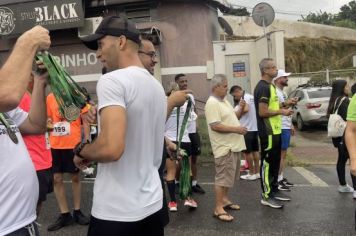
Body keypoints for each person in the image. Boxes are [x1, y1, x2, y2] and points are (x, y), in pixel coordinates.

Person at [77, 16, 166, 235]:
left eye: (100, 44)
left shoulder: (112, 80)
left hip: (117, 213)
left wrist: (82, 150)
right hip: (153, 205)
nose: (98, 53)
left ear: (121, 41)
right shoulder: (156, 87)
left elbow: (111, 148)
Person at [0, 25, 50, 236]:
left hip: (23, 222)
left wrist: (39, 83)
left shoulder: (3, 111)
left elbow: (36, 125)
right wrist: (26, 42)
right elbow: (9, 94)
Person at [205, 74, 247, 222]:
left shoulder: (224, 101)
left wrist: (240, 108)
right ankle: (218, 208)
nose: (227, 88)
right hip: (224, 148)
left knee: (229, 178)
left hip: (233, 146)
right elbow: (215, 125)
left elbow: (234, 117)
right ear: (216, 87)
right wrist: (237, 130)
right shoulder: (212, 103)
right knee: (222, 179)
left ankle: (224, 200)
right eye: (224, 86)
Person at [254, 58, 295, 209]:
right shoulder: (263, 87)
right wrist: (282, 111)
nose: (276, 69)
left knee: (275, 162)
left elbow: (272, 106)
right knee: (267, 163)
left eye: (275, 67)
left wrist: (285, 104)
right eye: (273, 67)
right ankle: (266, 196)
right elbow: (262, 111)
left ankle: (274, 190)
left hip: (276, 130)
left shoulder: (270, 86)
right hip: (268, 132)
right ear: (265, 70)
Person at [46, 93, 90, 231]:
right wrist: (48, 125)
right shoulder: (50, 97)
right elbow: (48, 118)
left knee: (75, 177)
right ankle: (65, 214)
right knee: (57, 179)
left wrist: (87, 140)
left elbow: (85, 119)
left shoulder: (75, 95)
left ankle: (77, 211)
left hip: (73, 143)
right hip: (55, 144)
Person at [19, 73, 53, 216]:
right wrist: (43, 125)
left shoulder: (36, 98)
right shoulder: (20, 99)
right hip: (33, 162)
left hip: (44, 159)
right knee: (30, 206)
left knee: (39, 202)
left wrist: (45, 125)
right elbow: (17, 127)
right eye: (31, 76)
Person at [165, 82, 198, 212]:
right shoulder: (186, 103)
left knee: (171, 172)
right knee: (186, 169)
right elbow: (192, 120)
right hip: (184, 140)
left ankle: (173, 202)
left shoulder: (164, 104)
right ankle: (188, 198)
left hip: (170, 140)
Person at [175, 73, 205, 194]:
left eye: (186, 81)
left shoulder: (191, 96)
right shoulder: (175, 97)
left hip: (193, 132)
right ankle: (177, 183)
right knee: (182, 161)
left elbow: (194, 110)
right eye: (182, 82)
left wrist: (196, 124)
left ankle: (194, 184)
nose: (185, 83)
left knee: (194, 160)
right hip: (182, 134)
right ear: (177, 83)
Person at [327, 80, 356, 195]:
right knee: (351, 160)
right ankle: (353, 188)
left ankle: (343, 185)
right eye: (346, 85)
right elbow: (348, 118)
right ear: (342, 88)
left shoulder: (334, 100)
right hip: (345, 136)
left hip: (338, 136)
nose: (348, 87)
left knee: (341, 160)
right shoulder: (344, 101)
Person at [229, 85, 260, 181]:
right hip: (254, 128)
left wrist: (238, 112)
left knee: (247, 153)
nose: (235, 98)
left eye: (234, 96)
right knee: (255, 151)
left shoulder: (244, 97)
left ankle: (251, 173)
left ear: (237, 91)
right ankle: (257, 172)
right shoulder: (251, 97)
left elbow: (246, 109)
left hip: (247, 129)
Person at [273, 69, 295, 191]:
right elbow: (276, 108)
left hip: (285, 125)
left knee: (283, 154)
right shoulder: (276, 92)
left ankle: (280, 177)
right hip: (280, 126)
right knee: (280, 155)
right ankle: (277, 179)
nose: (286, 79)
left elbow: (285, 107)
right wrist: (287, 103)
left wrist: (291, 124)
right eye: (284, 77)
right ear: (278, 79)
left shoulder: (283, 92)